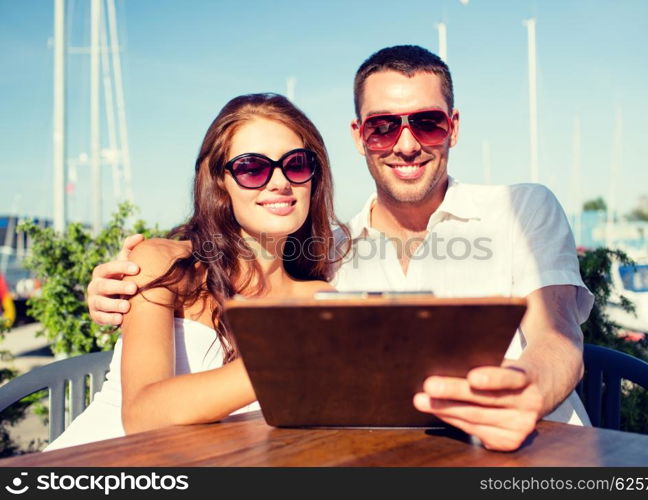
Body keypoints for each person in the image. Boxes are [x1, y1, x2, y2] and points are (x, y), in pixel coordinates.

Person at [87, 45, 593, 452]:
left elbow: (558, 339)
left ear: (453, 127)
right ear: (359, 136)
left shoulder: (520, 209)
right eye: (383, 126)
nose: (407, 142)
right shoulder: (337, 258)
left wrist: (524, 391)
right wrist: (118, 286)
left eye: (428, 122)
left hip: (541, 452)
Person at [45, 93, 346, 450]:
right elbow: (142, 416)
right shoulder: (163, 263)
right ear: (220, 182)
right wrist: (285, 361)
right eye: (253, 168)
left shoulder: (318, 297)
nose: (280, 182)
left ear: (314, 176)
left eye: (296, 164)